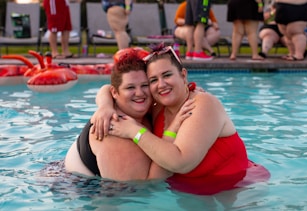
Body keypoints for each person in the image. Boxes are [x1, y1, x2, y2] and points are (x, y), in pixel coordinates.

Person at [94, 44, 270, 195]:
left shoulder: (202, 104)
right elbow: (110, 87)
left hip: (233, 190)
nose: (161, 84)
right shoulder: (158, 107)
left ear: (183, 75)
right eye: (153, 80)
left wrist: (134, 131)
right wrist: (105, 106)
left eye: (167, 75)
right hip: (188, 193)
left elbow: (180, 163)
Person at [64, 48, 193, 181]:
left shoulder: (137, 109)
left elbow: (106, 89)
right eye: (130, 87)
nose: (139, 93)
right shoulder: (114, 130)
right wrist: (173, 129)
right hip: (79, 189)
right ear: (115, 93)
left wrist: (105, 106)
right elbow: (148, 185)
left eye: (145, 85)